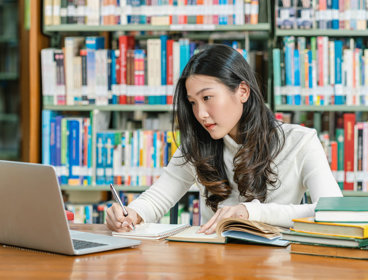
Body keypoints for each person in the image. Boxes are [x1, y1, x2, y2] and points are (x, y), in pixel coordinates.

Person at [106, 44, 342, 234]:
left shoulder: (300, 142)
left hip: (276, 264)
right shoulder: (198, 144)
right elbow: (158, 197)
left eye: (207, 97)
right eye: (193, 103)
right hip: (214, 262)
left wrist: (250, 212)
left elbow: (333, 212)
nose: (200, 114)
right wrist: (130, 214)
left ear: (242, 91)